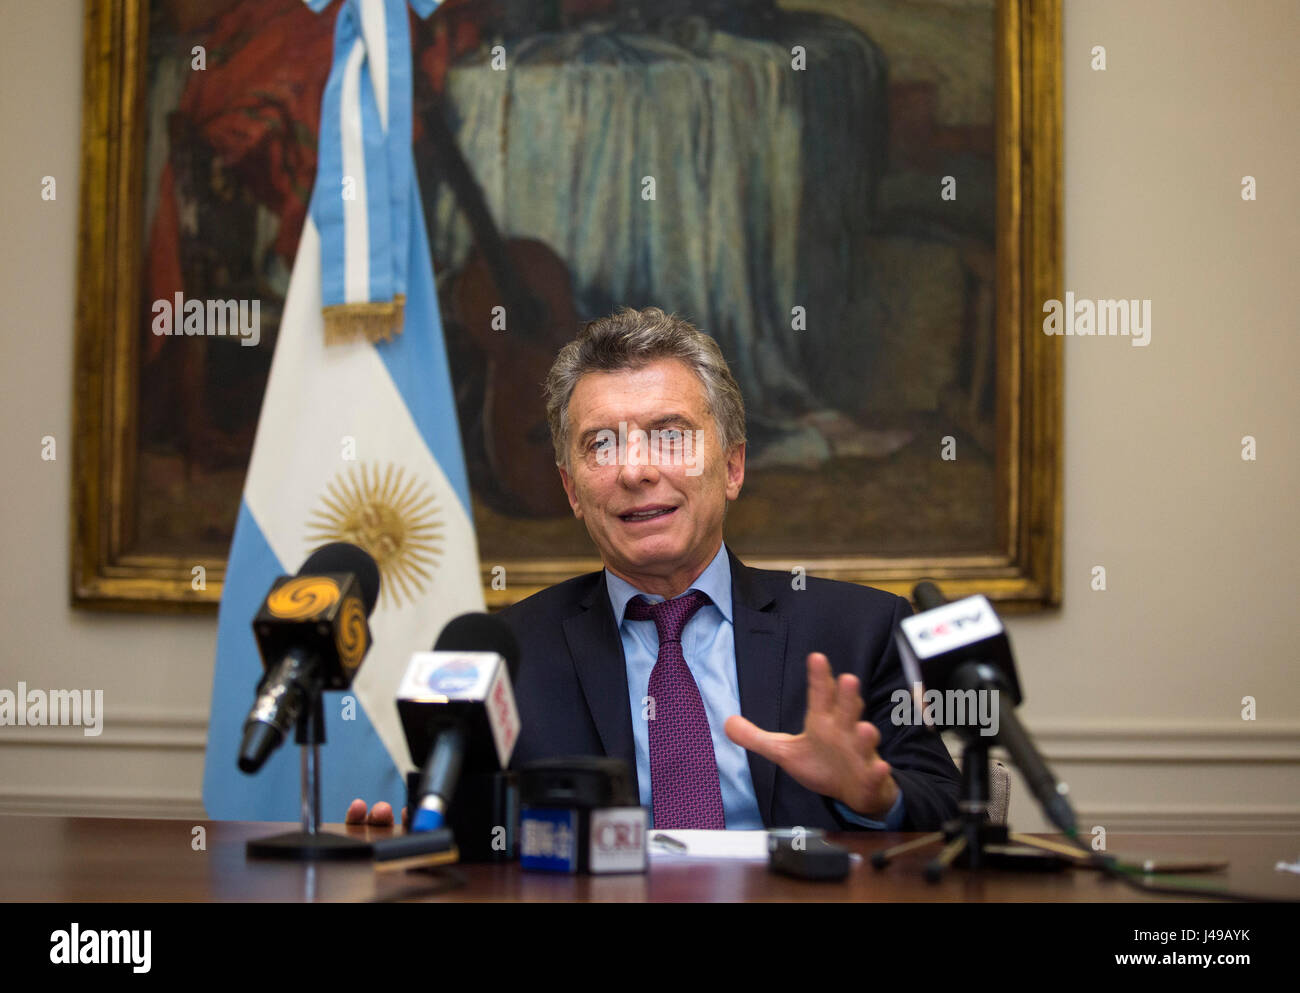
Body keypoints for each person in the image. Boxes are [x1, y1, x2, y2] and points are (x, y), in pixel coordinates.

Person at [349, 306, 959, 830]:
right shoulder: (505, 655)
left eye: (670, 435)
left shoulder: (860, 631)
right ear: (571, 489)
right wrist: (418, 840)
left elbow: (950, 810)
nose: (636, 471)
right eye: (602, 444)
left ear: (734, 468)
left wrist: (874, 798)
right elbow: (471, 840)